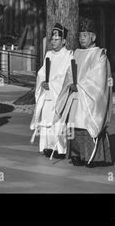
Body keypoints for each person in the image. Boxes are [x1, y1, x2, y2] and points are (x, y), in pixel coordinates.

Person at [54, 18, 113, 168]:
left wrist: (79, 85)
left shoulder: (100, 55)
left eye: (85, 36)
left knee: (85, 124)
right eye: (80, 36)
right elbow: (69, 73)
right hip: (75, 96)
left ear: (93, 37)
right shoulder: (77, 53)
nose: (81, 39)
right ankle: (76, 154)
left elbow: (98, 78)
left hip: (88, 97)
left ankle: (93, 157)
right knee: (73, 125)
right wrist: (70, 85)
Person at [30, 23, 73, 158]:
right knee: (46, 120)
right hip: (48, 93)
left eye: (56, 39)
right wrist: (42, 82)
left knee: (58, 121)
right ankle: (47, 146)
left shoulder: (69, 56)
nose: (53, 42)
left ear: (64, 41)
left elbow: (67, 77)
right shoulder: (48, 54)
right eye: (52, 39)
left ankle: (60, 148)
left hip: (59, 94)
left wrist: (53, 84)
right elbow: (42, 73)